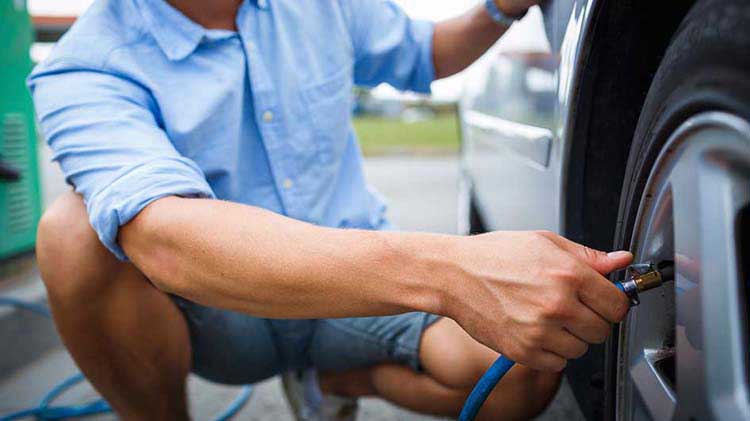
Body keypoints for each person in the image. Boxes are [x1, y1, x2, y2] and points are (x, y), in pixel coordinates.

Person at [29, 0, 633, 419]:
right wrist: (451, 273)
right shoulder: (83, 66)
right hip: (217, 312)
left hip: (348, 294)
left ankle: (333, 381)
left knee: (525, 374)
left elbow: (427, 53)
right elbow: (163, 238)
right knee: (72, 234)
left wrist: (501, 8)